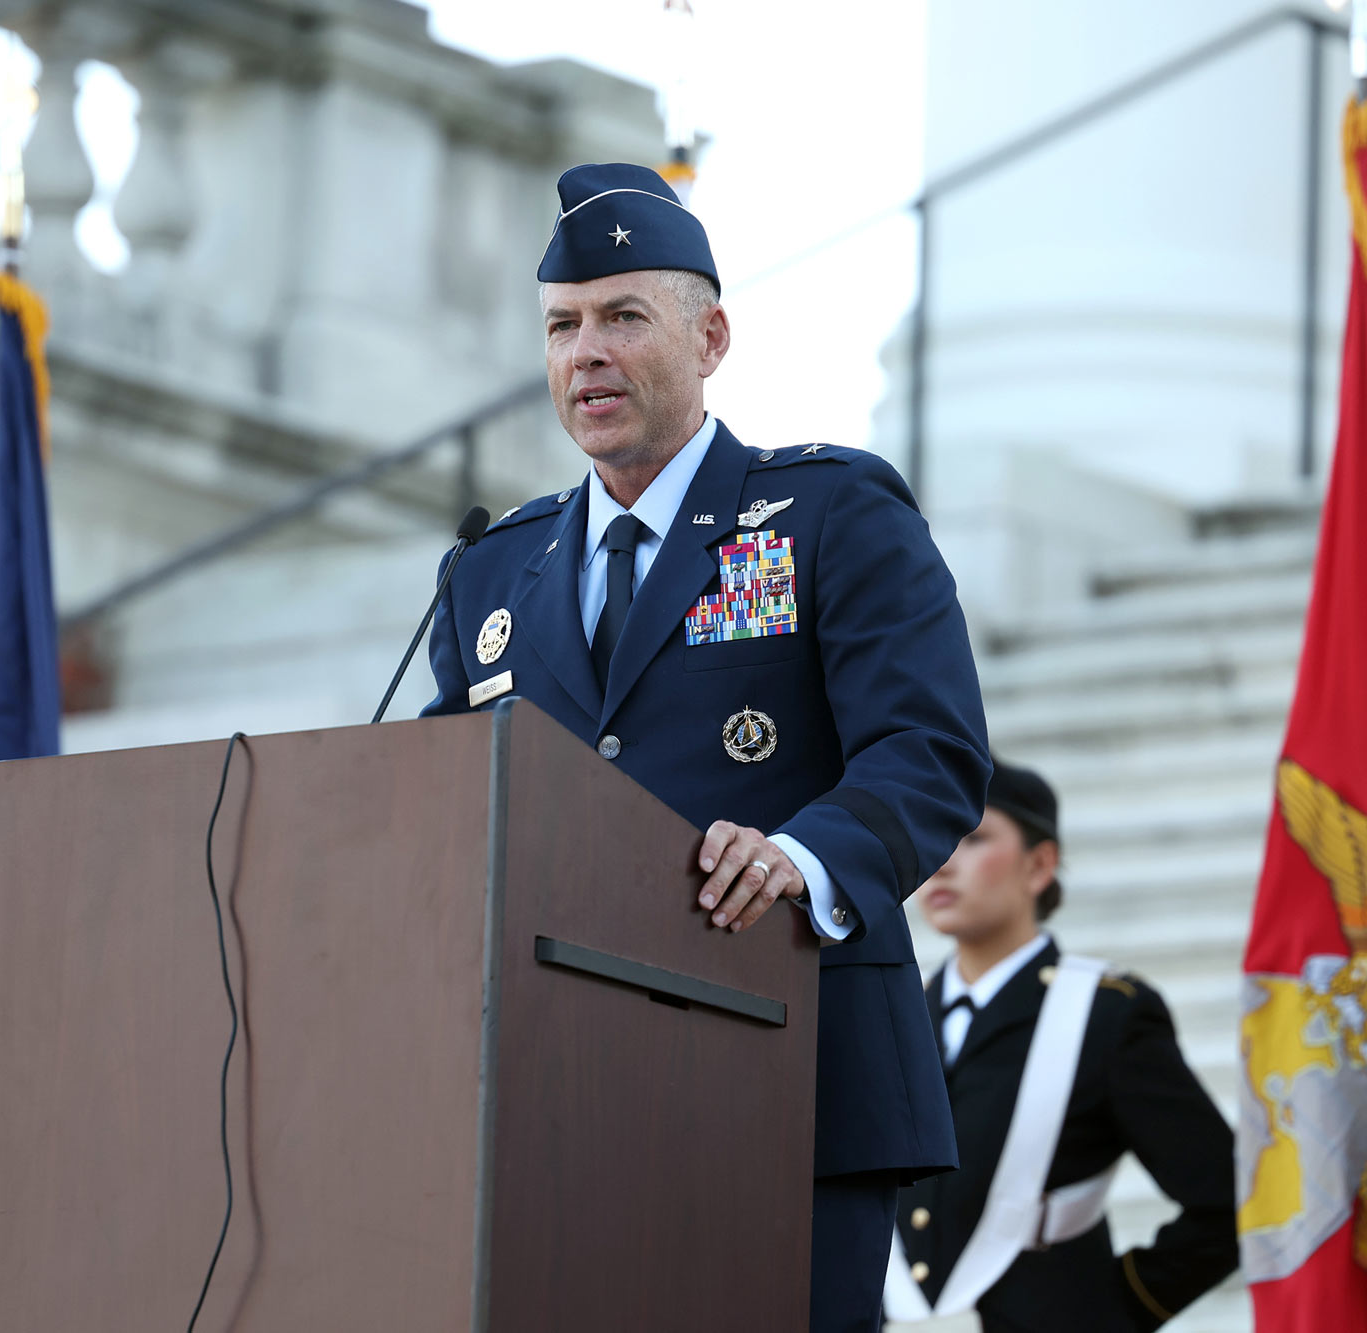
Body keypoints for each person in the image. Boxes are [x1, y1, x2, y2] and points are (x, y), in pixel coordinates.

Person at [422, 161, 991, 1332]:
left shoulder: (831, 513)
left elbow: (926, 749)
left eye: (623, 316)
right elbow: (439, 802)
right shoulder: (491, 568)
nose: (585, 351)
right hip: (553, 1089)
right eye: (561, 325)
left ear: (711, 335)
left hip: (791, 1063)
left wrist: (800, 858)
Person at [885, 761, 1238, 1331]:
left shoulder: (1106, 1015)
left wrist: (1114, 1309)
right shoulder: (894, 1017)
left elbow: (1226, 1203)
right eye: (936, 835)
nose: (943, 862)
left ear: (1040, 864)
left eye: (972, 838)